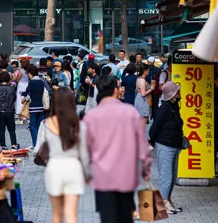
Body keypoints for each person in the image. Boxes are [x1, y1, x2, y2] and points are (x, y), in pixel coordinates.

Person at [84, 75, 151, 223]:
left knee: (107, 217)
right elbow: (142, 145)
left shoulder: (91, 116)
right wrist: (146, 169)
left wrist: (86, 173)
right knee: (125, 217)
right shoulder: (130, 113)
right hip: (126, 176)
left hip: (102, 178)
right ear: (115, 90)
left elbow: (85, 149)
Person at [34, 87, 91, 223]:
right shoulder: (80, 125)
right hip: (74, 168)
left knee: (57, 214)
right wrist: (88, 174)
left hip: (54, 167)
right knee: (71, 214)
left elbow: (37, 150)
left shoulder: (46, 124)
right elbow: (85, 154)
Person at [149, 81, 183, 214]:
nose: (180, 94)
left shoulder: (174, 106)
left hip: (174, 145)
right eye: (177, 92)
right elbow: (154, 129)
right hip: (165, 145)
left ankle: (167, 200)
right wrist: (154, 141)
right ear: (172, 94)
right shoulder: (164, 108)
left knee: (173, 176)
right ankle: (162, 205)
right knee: (166, 176)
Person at [22, 64, 48, 147]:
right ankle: (41, 144)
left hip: (33, 108)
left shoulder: (31, 83)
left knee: (33, 127)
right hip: (41, 107)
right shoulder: (41, 82)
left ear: (30, 73)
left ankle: (36, 144)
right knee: (40, 127)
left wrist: (23, 95)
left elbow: (27, 93)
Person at [0, 71, 19, 149]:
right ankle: (13, 144)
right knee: (12, 129)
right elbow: (14, 99)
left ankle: (3, 145)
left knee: (1, 129)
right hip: (10, 111)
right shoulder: (12, 89)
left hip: (1, 111)